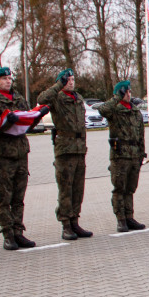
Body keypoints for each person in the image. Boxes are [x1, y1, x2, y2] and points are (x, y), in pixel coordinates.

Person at [0, 67, 38, 250]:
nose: (8, 81)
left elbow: (28, 118)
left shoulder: (20, 99)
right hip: (3, 155)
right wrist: (7, 120)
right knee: (5, 197)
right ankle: (8, 234)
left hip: (20, 153)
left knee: (18, 197)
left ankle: (18, 232)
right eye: (4, 79)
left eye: (9, 78)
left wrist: (35, 118)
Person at [37, 68, 92, 241]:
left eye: (72, 79)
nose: (71, 82)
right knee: (65, 189)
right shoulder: (57, 97)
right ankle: (66, 224)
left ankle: (75, 220)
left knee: (78, 188)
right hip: (65, 149)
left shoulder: (78, 98)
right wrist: (58, 85)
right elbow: (41, 100)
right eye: (67, 80)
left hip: (79, 148)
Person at [100, 80, 147, 232]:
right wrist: (116, 97)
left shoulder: (135, 111)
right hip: (120, 156)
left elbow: (140, 135)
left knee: (130, 188)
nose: (129, 94)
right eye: (126, 92)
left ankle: (129, 217)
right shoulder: (114, 110)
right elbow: (102, 109)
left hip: (134, 155)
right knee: (119, 188)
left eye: (129, 92)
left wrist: (141, 154)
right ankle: (121, 219)